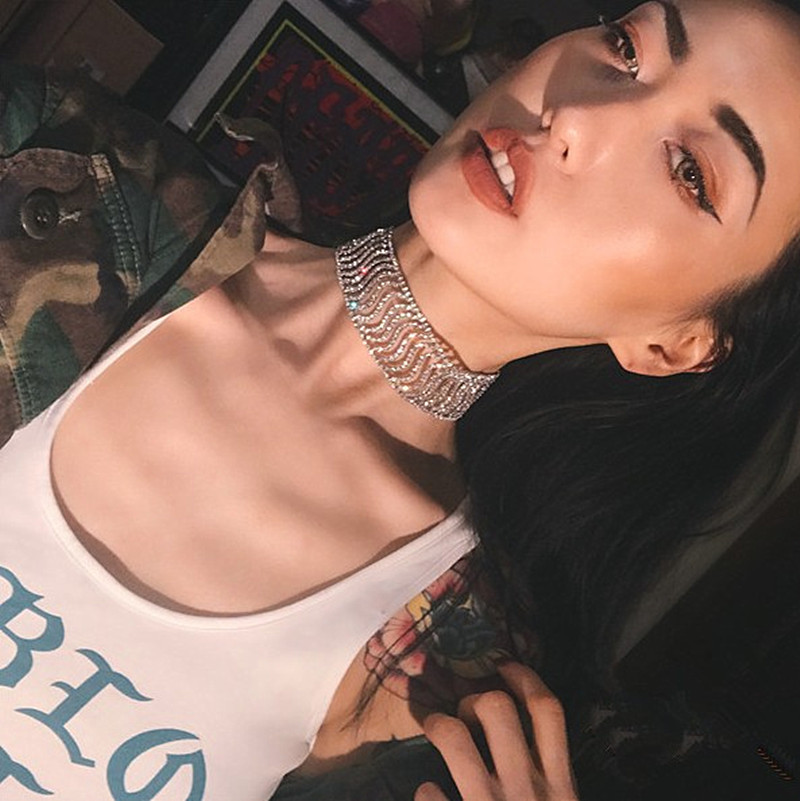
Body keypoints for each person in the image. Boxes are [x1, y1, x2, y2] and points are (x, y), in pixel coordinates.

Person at [3, 1, 800, 799]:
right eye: (626, 47)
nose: (577, 113)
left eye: (689, 172)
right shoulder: (63, 175)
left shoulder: (442, 681)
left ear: (675, 344)